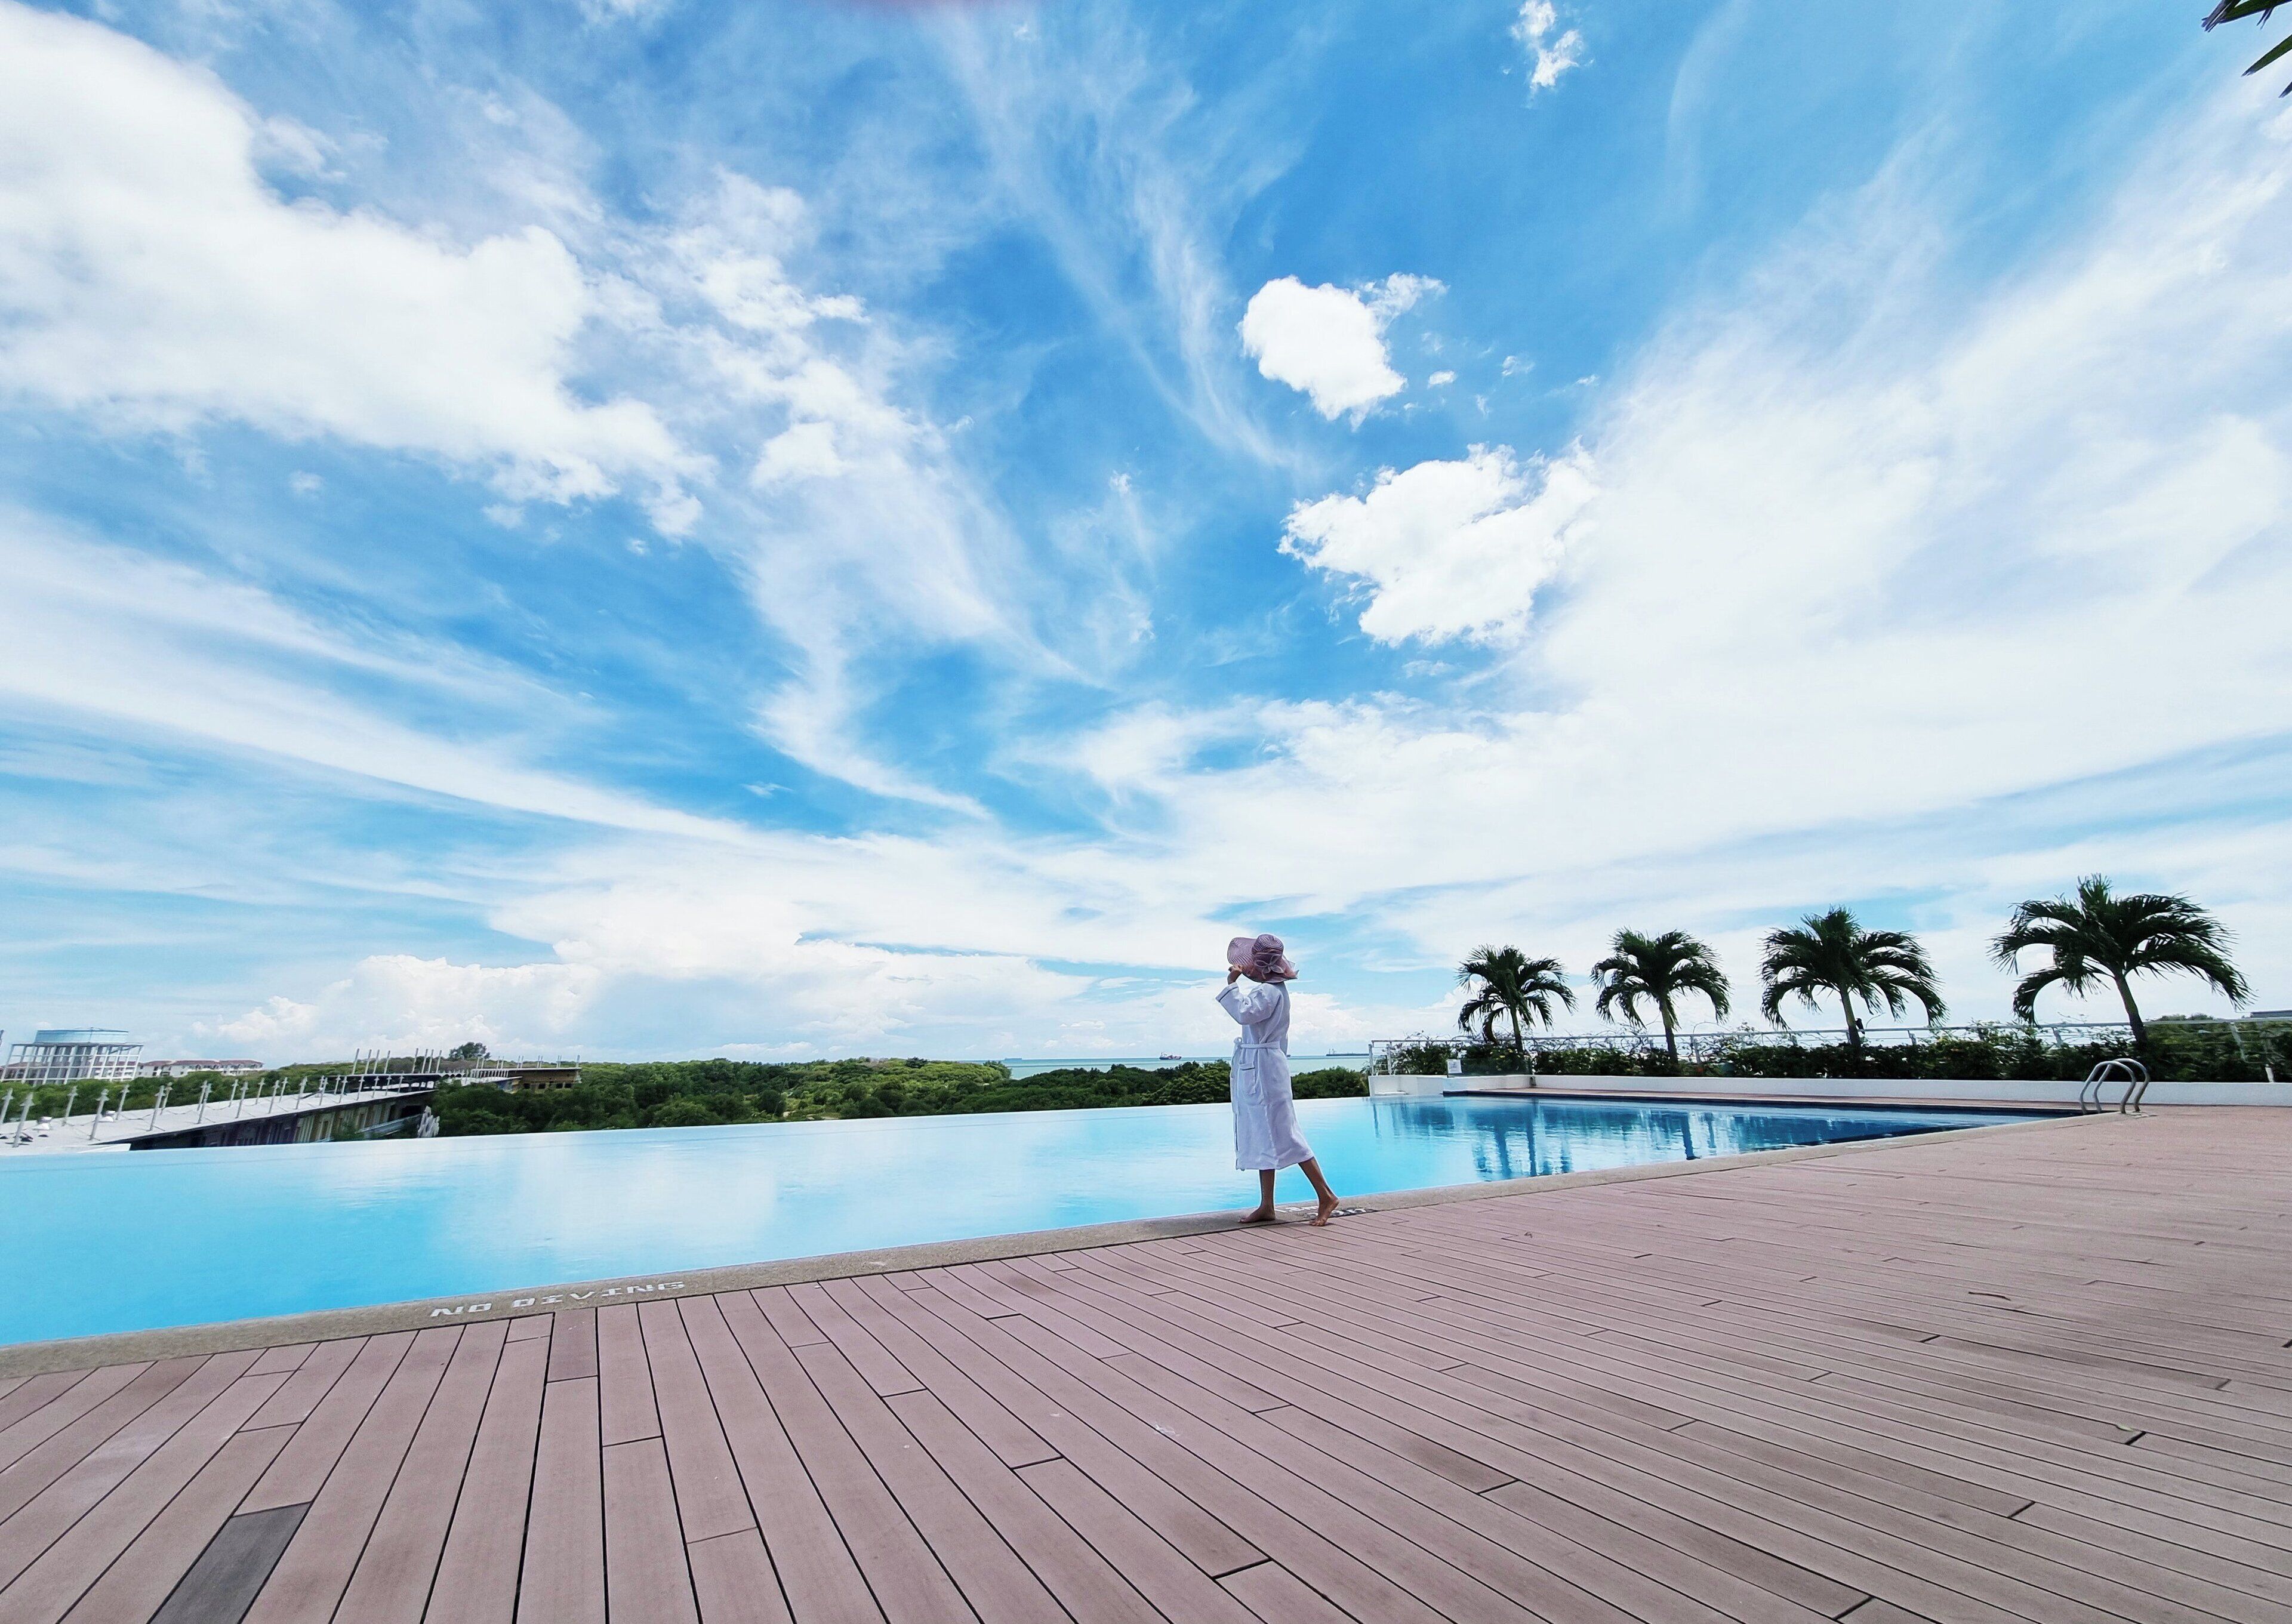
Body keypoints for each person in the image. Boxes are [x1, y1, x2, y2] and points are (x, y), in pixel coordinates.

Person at [1218, 933, 1341, 1226]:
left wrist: (1231, 986)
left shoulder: (1268, 993)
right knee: (1265, 1133)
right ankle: (1267, 1205)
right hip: (1265, 1065)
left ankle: (1326, 1195)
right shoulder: (1275, 991)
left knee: (1285, 1133)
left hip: (1265, 1070)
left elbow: (1245, 1015)